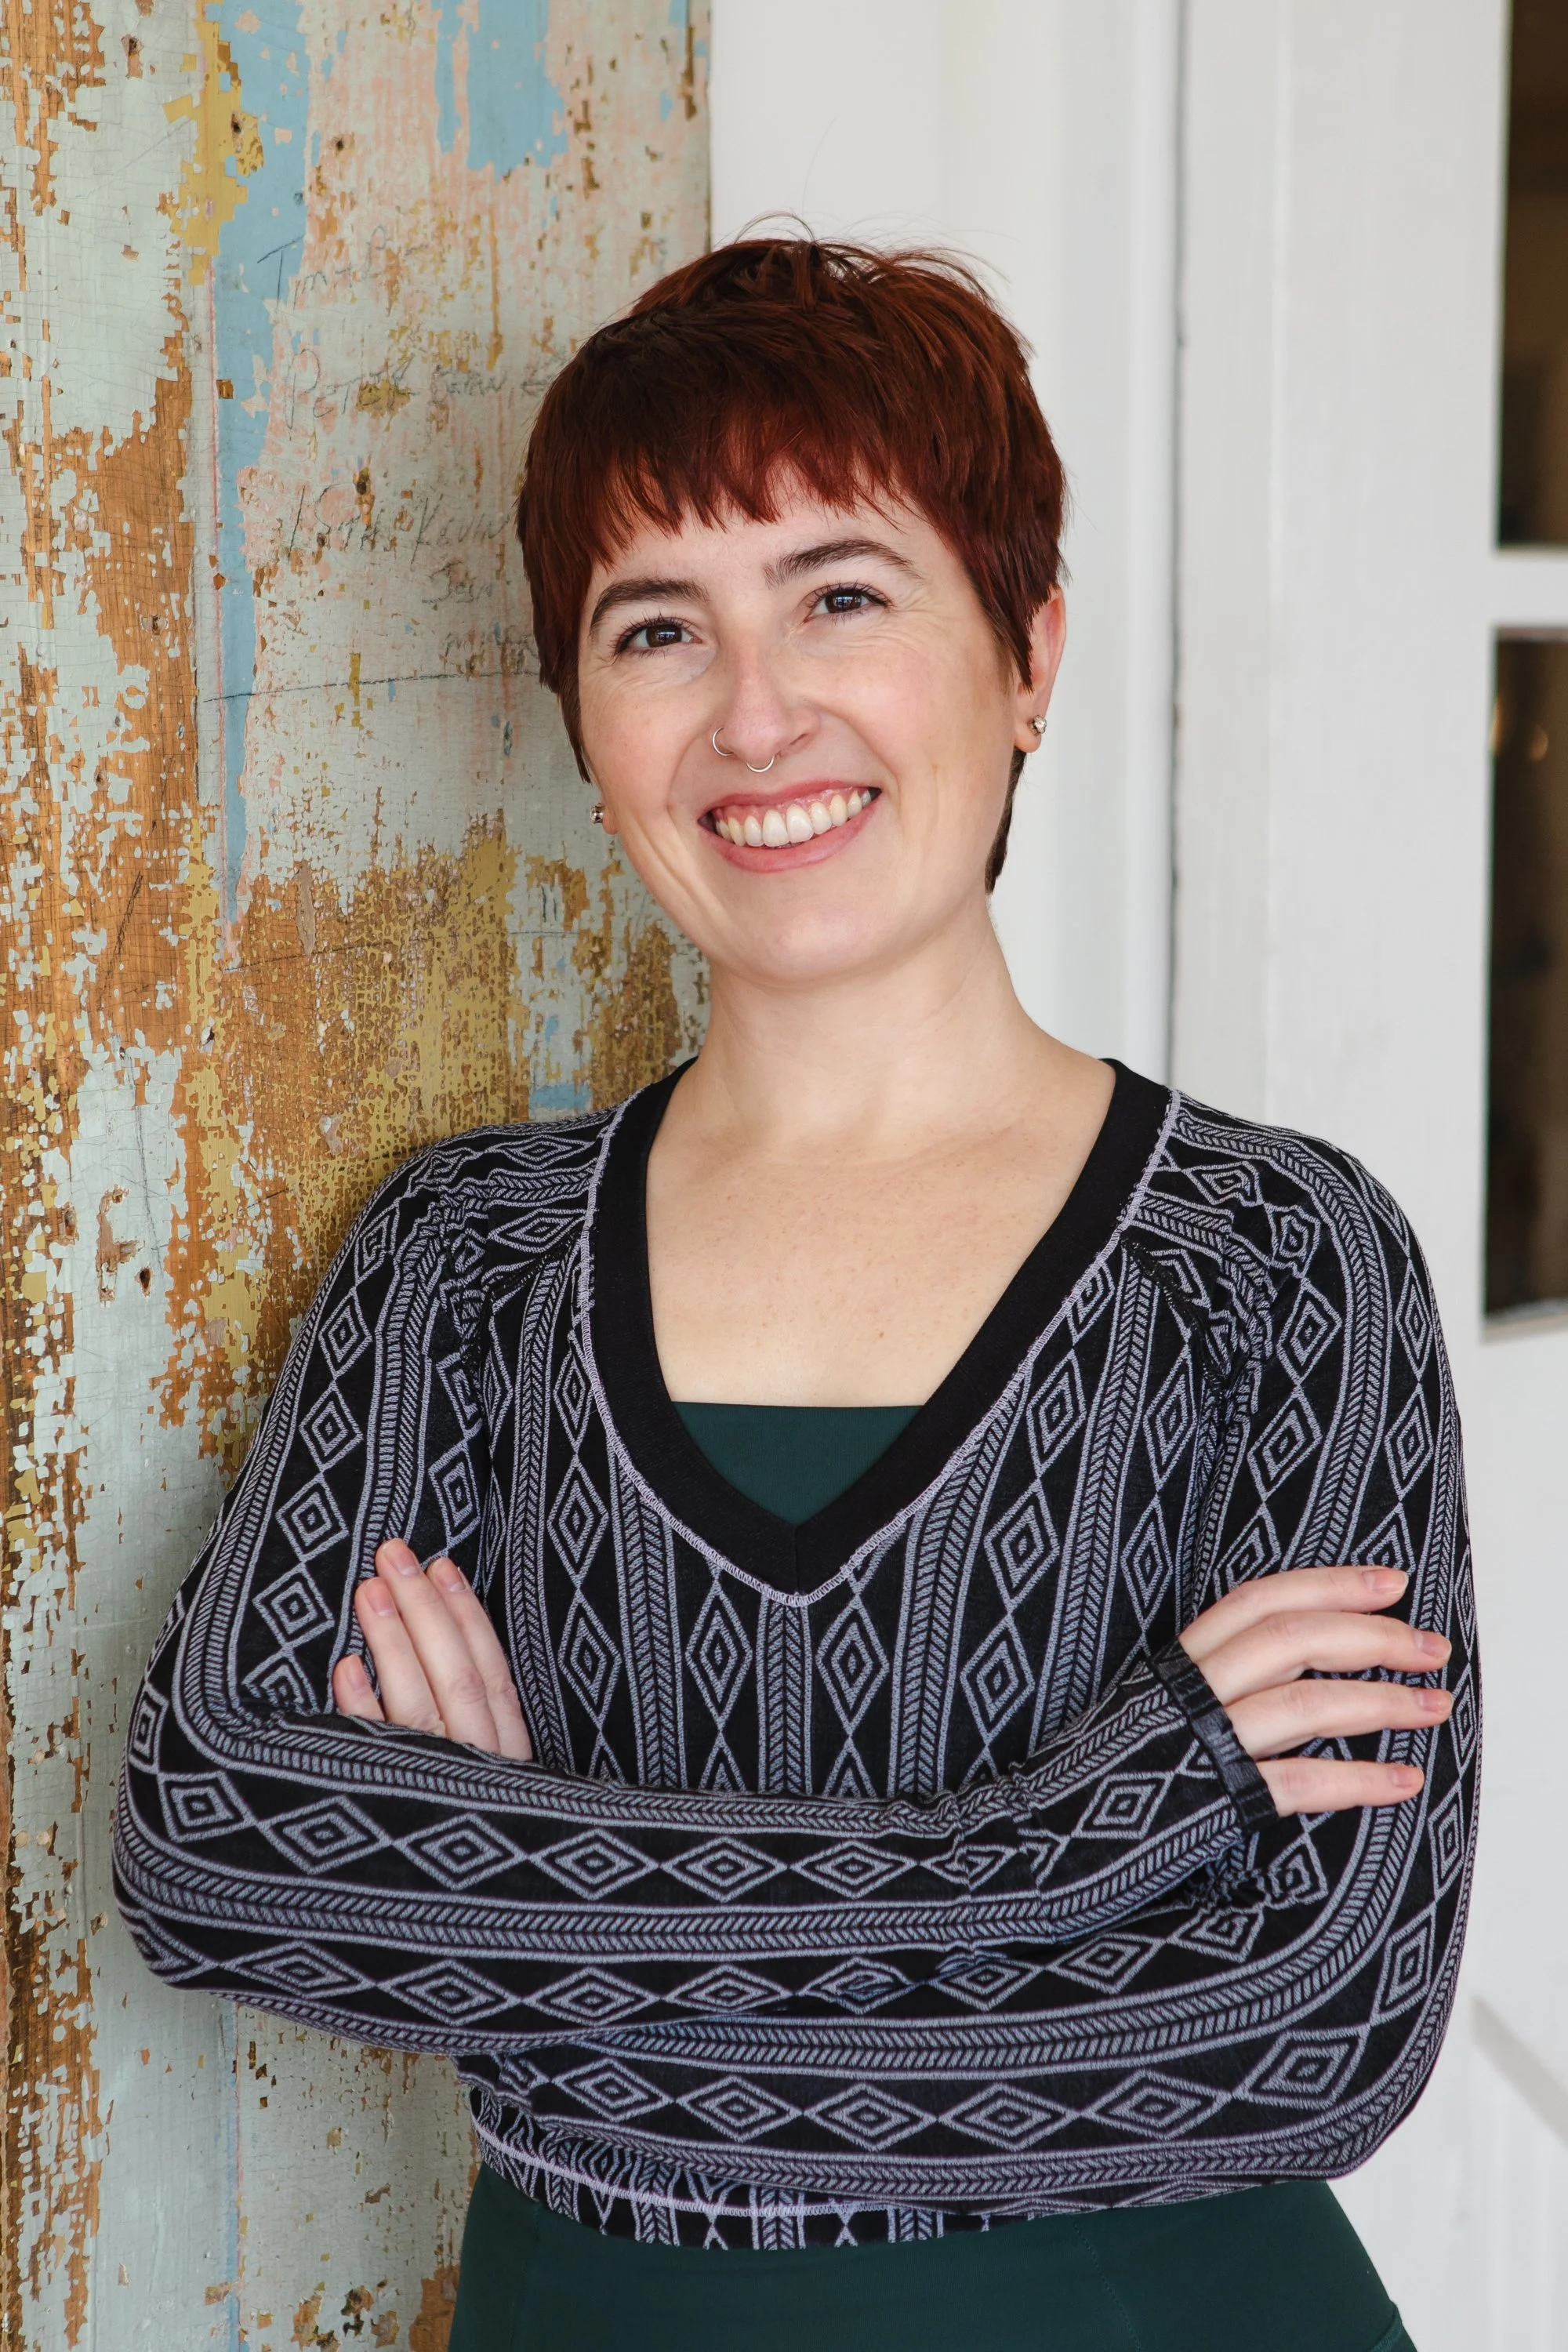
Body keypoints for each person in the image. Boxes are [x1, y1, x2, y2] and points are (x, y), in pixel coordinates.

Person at [115, 241, 1475, 2352]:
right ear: (582, 710)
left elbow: (1308, 2030)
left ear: (1028, 654)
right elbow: (211, 1848)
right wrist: (1064, 1844)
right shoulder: (460, 1261)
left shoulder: (1279, 1263)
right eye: (658, 627)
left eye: (843, 594)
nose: (758, 714)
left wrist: (498, 1901)